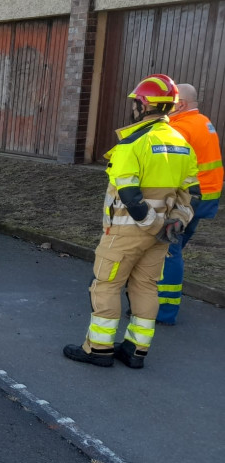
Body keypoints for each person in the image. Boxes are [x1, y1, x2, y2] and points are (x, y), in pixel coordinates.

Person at [64, 74, 199, 369]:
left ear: (142, 104)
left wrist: (150, 224)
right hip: (163, 234)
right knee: (146, 287)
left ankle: (98, 349)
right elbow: (192, 193)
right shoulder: (181, 142)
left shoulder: (132, 143)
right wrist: (173, 224)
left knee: (106, 285)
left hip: (126, 231)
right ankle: (136, 350)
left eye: (135, 103)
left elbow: (128, 193)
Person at [153, 83, 223, 325]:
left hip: (188, 200)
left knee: (168, 252)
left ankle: (164, 311)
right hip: (205, 198)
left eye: (169, 101)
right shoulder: (204, 122)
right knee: (175, 248)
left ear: (180, 104)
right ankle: (156, 294)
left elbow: (169, 168)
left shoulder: (179, 129)